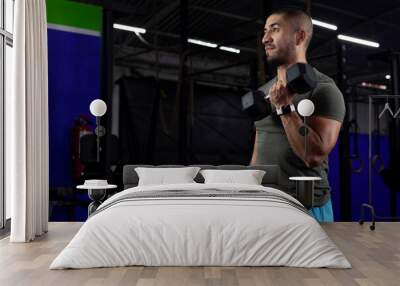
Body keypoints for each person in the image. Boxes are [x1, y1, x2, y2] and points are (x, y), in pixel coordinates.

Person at [250, 8, 345, 222]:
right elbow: (258, 153)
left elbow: (314, 155)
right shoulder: (263, 93)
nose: (265, 38)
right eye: (265, 31)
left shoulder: (323, 89)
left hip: (306, 206)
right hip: (264, 205)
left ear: (299, 36)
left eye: (274, 30)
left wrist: (284, 107)